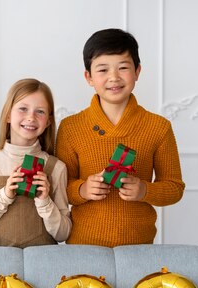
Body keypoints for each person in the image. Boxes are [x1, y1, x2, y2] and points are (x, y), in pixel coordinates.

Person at [56, 28, 185, 247]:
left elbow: (174, 188)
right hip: (83, 245)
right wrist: (83, 189)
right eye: (103, 69)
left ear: (137, 71)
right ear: (88, 77)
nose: (113, 77)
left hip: (139, 246)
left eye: (123, 68)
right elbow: (59, 188)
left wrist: (145, 190)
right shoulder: (71, 127)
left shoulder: (159, 127)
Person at [0, 78, 72, 247]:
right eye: (23, 109)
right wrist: (4, 196)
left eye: (40, 112)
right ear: (8, 115)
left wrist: (45, 201)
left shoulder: (56, 167)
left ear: (49, 121)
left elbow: (63, 233)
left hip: (42, 267)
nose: (31, 117)